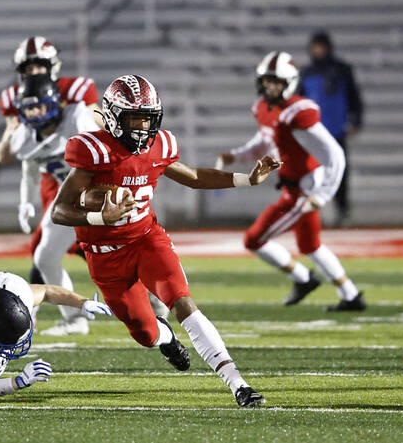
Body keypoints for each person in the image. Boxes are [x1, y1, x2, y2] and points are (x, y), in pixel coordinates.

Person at [52, 74, 281, 407]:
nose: (142, 127)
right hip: (105, 256)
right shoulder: (94, 151)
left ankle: (239, 385)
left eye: (147, 118)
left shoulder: (158, 146)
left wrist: (248, 179)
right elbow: (60, 210)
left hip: (146, 239)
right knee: (146, 334)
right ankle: (166, 337)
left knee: (183, 302)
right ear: (114, 117)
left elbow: (195, 177)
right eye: (134, 118)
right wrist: (101, 217)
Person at [219, 51, 365, 311]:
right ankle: (351, 295)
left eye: (276, 82)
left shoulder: (296, 112)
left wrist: (321, 196)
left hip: (303, 190)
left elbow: (335, 155)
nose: (270, 87)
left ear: (290, 83)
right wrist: (235, 156)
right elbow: (264, 141)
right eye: (267, 81)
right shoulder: (264, 108)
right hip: (293, 187)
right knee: (311, 246)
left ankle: (303, 278)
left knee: (254, 239)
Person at [0, 73, 103, 336]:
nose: (32, 113)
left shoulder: (77, 116)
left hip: (102, 194)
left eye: (37, 105)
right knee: (45, 257)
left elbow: (100, 148)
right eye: (27, 107)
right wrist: (25, 203)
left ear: (54, 102)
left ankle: (157, 304)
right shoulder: (23, 136)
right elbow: (30, 170)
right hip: (68, 200)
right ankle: (75, 318)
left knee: (122, 254)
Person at [0, 37, 99, 267]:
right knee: (44, 249)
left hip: (85, 170)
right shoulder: (15, 97)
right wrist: (10, 137)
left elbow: (101, 126)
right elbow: (6, 155)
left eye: (39, 66)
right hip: (50, 172)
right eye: (28, 68)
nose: (34, 72)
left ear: (53, 65)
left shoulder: (76, 92)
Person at [296, 31, 362, 226]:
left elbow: (354, 98)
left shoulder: (342, 71)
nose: (318, 51)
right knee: (314, 174)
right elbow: (299, 102)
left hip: (335, 131)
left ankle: (342, 210)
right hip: (314, 133)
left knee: (339, 172)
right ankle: (315, 213)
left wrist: (355, 120)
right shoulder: (306, 73)